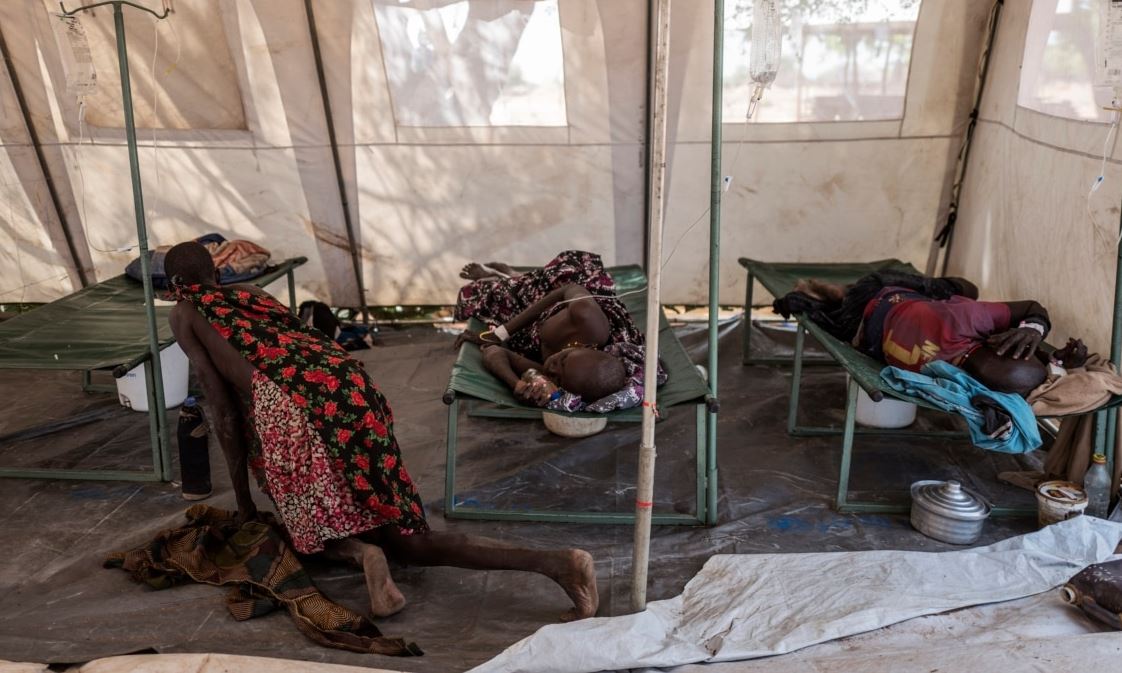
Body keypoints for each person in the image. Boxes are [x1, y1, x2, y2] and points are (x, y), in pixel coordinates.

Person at [162, 242, 598, 622]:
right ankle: (557, 562)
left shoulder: (184, 315)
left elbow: (222, 409)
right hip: (346, 384)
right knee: (406, 537)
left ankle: (363, 553)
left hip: (290, 403)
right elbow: (298, 344)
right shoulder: (251, 294)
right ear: (217, 271)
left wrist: (243, 503)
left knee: (307, 531)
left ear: (173, 285)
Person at [774, 270, 1050, 396]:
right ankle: (835, 294)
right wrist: (1041, 339)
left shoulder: (966, 318)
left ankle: (837, 293)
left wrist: (1033, 328)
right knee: (840, 305)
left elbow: (1031, 308)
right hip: (865, 324)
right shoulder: (948, 380)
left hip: (880, 296)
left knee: (968, 289)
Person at [454, 250, 662, 412]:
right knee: (504, 292)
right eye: (563, 360)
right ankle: (515, 276)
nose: (551, 367)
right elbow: (567, 289)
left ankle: (510, 278)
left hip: (541, 330)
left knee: (486, 300)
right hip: (569, 291)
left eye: (558, 378)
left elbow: (494, 352)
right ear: (588, 347)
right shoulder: (587, 319)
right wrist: (500, 333)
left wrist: (516, 384)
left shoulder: (563, 376)